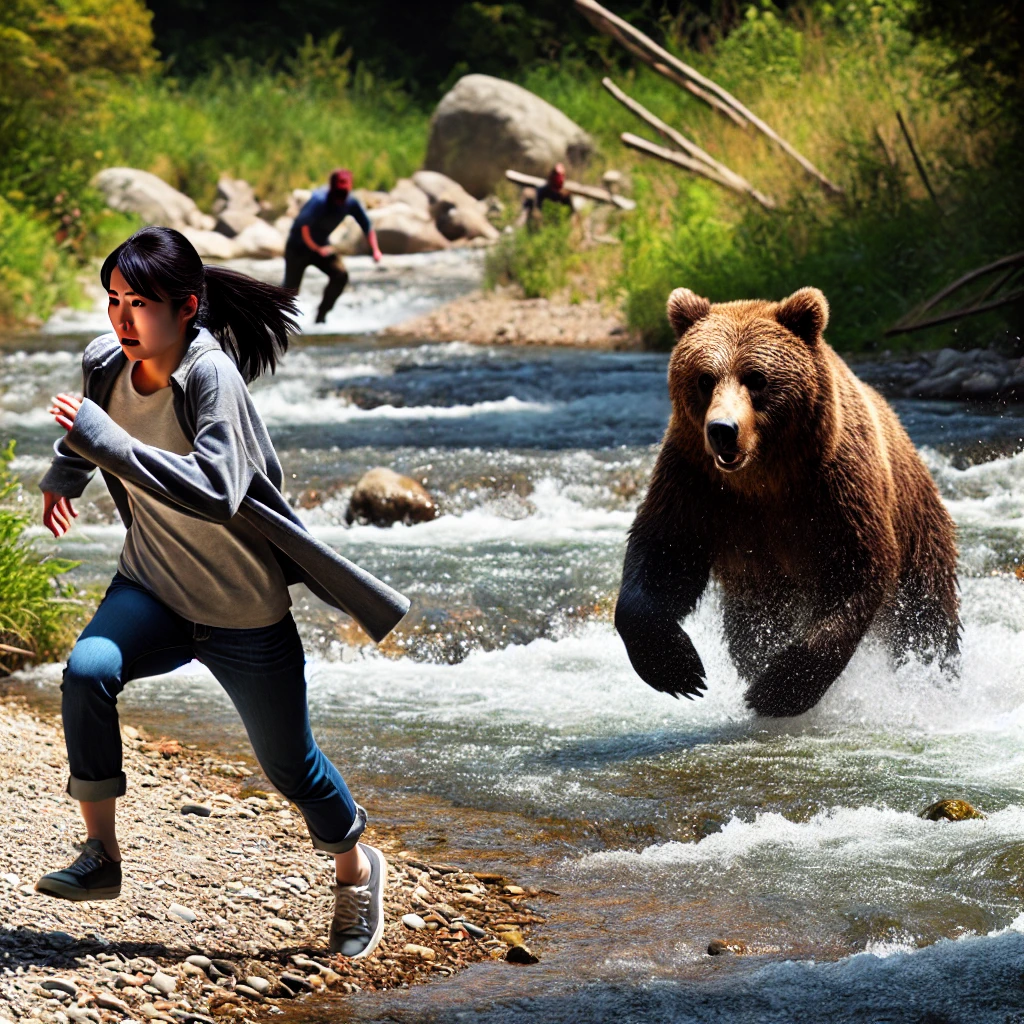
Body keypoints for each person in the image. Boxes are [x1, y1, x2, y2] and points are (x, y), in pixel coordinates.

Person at [34, 226, 409, 960]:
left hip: (244, 612)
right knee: (86, 673)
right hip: (153, 586)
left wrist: (102, 442)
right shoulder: (105, 362)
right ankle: (100, 856)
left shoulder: (213, 378)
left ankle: (356, 870)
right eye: (113, 299)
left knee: (291, 769)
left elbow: (215, 490)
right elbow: (92, 426)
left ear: (188, 307)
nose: (121, 318)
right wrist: (64, 473)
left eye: (139, 303)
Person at [284, 168, 382, 324]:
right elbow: (304, 228)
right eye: (339, 190)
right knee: (290, 291)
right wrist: (317, 249)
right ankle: (273, 320)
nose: (340, 200)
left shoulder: (351, 202)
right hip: (298, 248)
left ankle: (320, 317)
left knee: (340, 275)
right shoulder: (319, 200)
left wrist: (375, 250)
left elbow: (367, 226)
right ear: (332, 188)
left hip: (321, 247)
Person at [518, 163, 575, 228]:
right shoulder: (543, 190)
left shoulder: (565, 194)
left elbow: (571, 211)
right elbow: (538, 208)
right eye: (558, 175)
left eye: (562, 176)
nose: (560, 178)